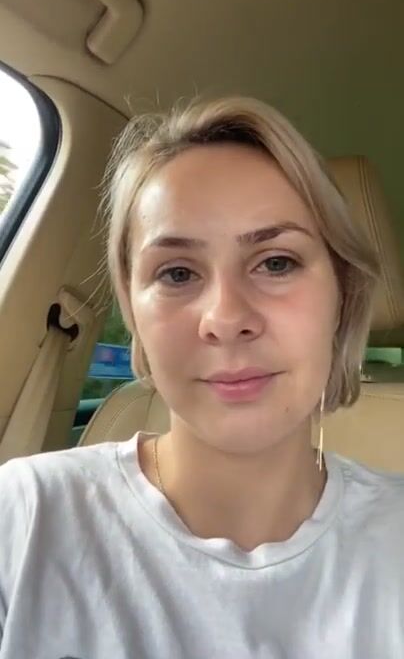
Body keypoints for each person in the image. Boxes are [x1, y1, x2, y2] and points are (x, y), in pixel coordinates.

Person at [0, 95, 403, 659]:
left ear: (343, 294)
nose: (226, 318)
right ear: (133, 312)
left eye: (277, 262)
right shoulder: (23, 518)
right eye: (177, 273)